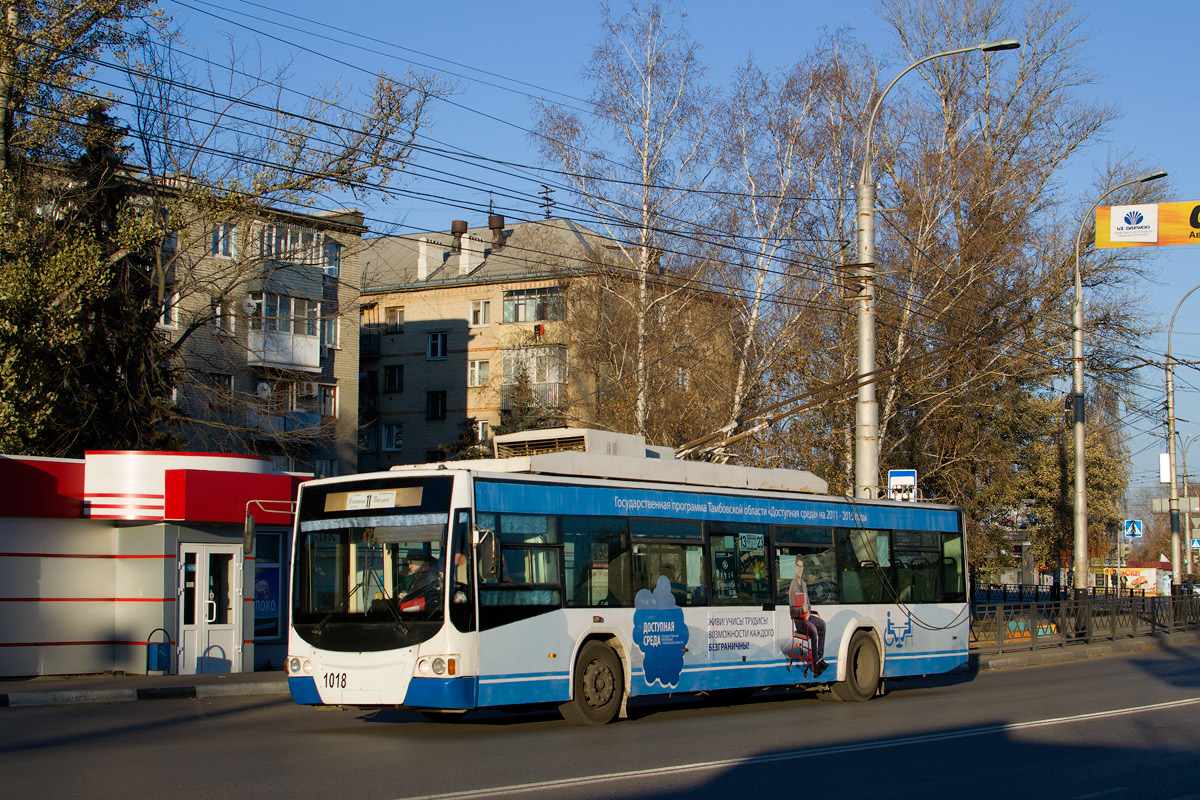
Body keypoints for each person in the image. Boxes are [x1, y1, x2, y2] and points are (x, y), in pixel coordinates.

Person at [789, 554, 827, 677]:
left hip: (807, 617)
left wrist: (808, 612)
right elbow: (792, 612)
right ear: (795, 567)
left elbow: (808, 604)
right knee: (814, 630)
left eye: (802, 566)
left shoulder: (804, 584)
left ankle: (820, 658)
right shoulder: (792, 586)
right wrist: (801, 612)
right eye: (798, 566)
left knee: (822, 625)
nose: (800, 569)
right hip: (799, 621)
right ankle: (815, 666)